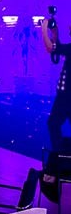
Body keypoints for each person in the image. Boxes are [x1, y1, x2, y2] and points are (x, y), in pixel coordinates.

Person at [42, 18, 71, 151]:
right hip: (66, 96)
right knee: (54, 123)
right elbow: (58, 49)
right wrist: (55, 35)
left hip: (66, 97)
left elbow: (51, 48)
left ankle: (59, 153)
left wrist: (44, 29)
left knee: (53, 123)